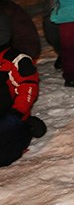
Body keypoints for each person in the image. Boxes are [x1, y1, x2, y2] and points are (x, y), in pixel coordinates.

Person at [0, 17, 46, 167]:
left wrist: (17, 113)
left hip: (11, 116)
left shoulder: (16, 59)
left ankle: (29, 128)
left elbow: (28, 87)